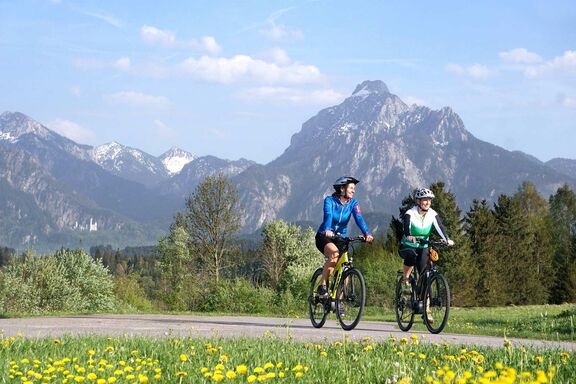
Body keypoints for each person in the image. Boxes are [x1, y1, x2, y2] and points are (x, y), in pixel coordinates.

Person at [398, 188, 454, 322]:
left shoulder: (432, 214)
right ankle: (405, 279)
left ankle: (427, 311)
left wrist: (446, 239)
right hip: (408, 245)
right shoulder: (410, 213)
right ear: (418, 201)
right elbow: (407, 227)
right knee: (411, 257)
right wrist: (409, 236)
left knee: (426, 277)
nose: (427, 202)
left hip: (423, 246)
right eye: (424, 200)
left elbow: (440, 227)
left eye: (429, 200)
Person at [315, 176, 374, 298]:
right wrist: (327, 229)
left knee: (345, 267)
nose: (354, 190)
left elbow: (359, 219)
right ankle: (323, 286)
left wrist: (367, 233)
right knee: (334, 254)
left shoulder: (353, 203)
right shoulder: (329, 200)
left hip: (341, 238)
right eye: (351, 188)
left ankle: (339, 301)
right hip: (324, 236)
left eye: (354, 188)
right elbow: (328, 214)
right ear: (342, 188)